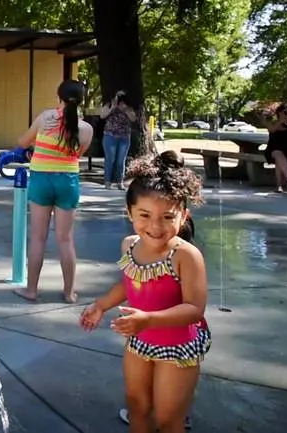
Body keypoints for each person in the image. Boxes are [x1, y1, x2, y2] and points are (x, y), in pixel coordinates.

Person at [81, 151, 210, 433]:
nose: (155, 226)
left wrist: (148, 319)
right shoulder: (129, 244)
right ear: (129, 213)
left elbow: (193, 309)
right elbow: (130, 283)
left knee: (168, 418)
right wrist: (101, 305)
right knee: (137, 407)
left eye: (167, 217)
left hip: (178, 347)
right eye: (144, 215)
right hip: (139, 343)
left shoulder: (186, 256)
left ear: (183, 215)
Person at [14, 80, 94, 303]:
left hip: (41, 179)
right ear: (81, 100)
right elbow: (76, 154)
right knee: (65, 239)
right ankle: (69, 293)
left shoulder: (45, 118)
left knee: (38, 238)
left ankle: (31, 290)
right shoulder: (86, 129)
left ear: (58, 97)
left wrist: (35, 148)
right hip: (67, 180)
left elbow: (22, 142)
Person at [100, 90, 138, 189]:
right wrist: (112, 108)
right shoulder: (109, 105)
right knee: (110, 159)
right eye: (117, 96)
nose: (119, 99)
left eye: (121, 97)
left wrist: (125, 110)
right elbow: (102, 115)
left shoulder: (128, 107)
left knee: (121, 160)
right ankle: (108, 181)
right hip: (110, 135)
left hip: (124, 137)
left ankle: (119, 182)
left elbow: (133, 118)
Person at [265, 104, 287, 193]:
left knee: (279, 159)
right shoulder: (273, 123)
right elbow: (272, 130)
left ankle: (279, 186)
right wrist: (280, 121)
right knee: (278, 154)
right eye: (285, 112)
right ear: (279, 113)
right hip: (273, 149)